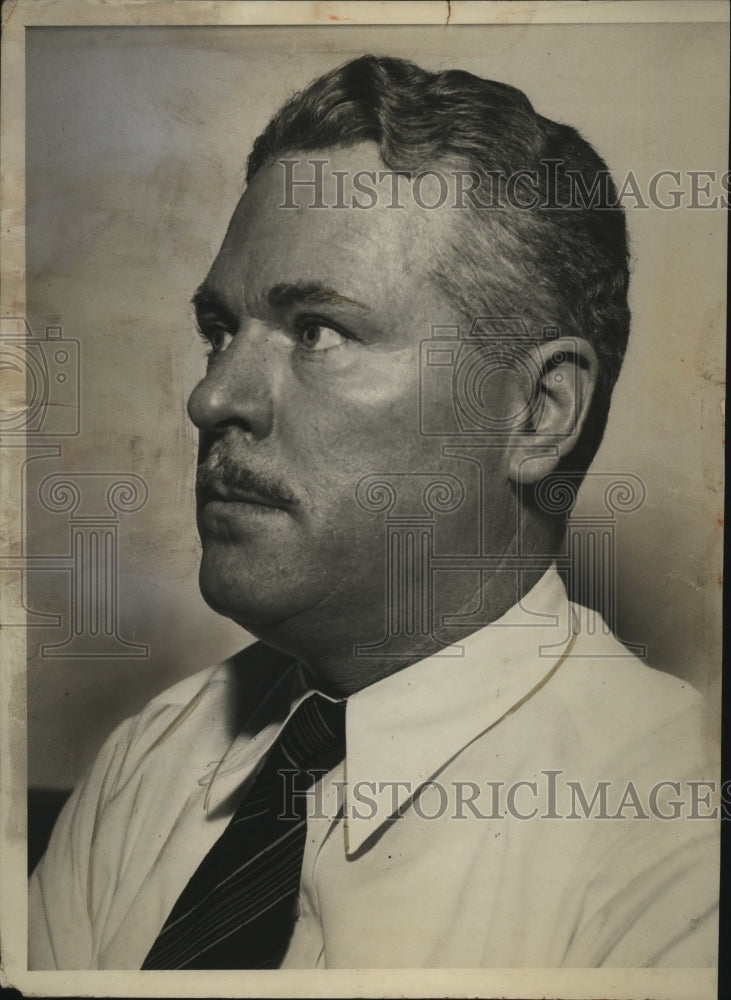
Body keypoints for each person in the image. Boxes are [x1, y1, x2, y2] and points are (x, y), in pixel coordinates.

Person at [29, 54, 718, 970]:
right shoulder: (146, 767)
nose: (210, 399)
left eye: (317, 330)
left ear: (538, 413)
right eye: (219, 331)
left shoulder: (676, 845)